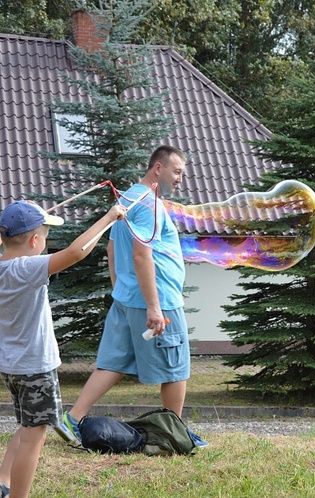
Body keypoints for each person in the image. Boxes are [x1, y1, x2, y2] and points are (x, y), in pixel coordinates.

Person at [54, 145, 207, 449]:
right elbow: (141, 254)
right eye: (176, 172)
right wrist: (152, 305)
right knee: (176, 368)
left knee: (112, 363)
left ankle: (71, 420)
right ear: (158, 169)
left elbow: (111, 249)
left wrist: (121, 289)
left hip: (126, 300)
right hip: (158, 300)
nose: (180, 179)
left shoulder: (126, 198)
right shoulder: (149, 204)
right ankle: (174, 433)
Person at [0, 200, 126, 498]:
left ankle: (3, 480)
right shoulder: (26, 268)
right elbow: (75, 252)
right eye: (44, 238)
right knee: (34, 438)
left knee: (28, 426)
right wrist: (109, 216)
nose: (44, 245)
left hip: (11, 367)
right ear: (34, 241)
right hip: (35, 367)